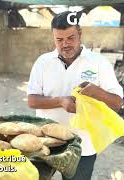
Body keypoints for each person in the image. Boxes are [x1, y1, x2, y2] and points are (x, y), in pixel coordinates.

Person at [27, 11, 123, 180]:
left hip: (83, 145)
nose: (65, 44)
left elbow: (117, 103)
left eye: (70, 38)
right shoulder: (43, 62)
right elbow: (32, 100)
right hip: (45, 142)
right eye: (59, 40)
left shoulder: (99, 63)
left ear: (80, 33)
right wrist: (60, 101)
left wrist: (97, 92)